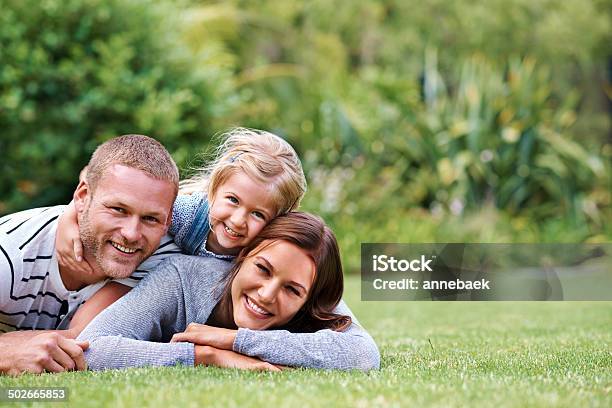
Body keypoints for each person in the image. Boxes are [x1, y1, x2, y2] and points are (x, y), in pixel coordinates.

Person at [78, 212, 380, 371]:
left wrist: (234, 340)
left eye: (291, 290)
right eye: (263, 269)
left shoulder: (315, 289)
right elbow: (91, 348)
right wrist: (203, 355)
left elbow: (363, 354)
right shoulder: (181, 277)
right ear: (243, 255)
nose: (266, 294)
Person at [0, 134, 180, 375]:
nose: (132, 233)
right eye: (118, 209)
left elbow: (83, 338)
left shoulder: (163, 258)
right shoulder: (10, 253)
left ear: (167, 222)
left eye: (150, 218)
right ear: (83, 197)